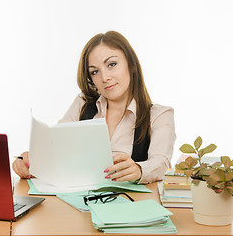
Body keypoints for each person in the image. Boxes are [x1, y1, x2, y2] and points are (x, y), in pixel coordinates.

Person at [12, 31, 176, 184]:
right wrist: (31, 161)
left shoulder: (159, 115)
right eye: (95, 72)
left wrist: (139, 170)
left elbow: (160, 162)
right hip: (81, 201)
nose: (105, 77)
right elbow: (55, 145)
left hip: (132, 204)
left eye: (111, 64)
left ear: (131, 64)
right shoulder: (83, 103)